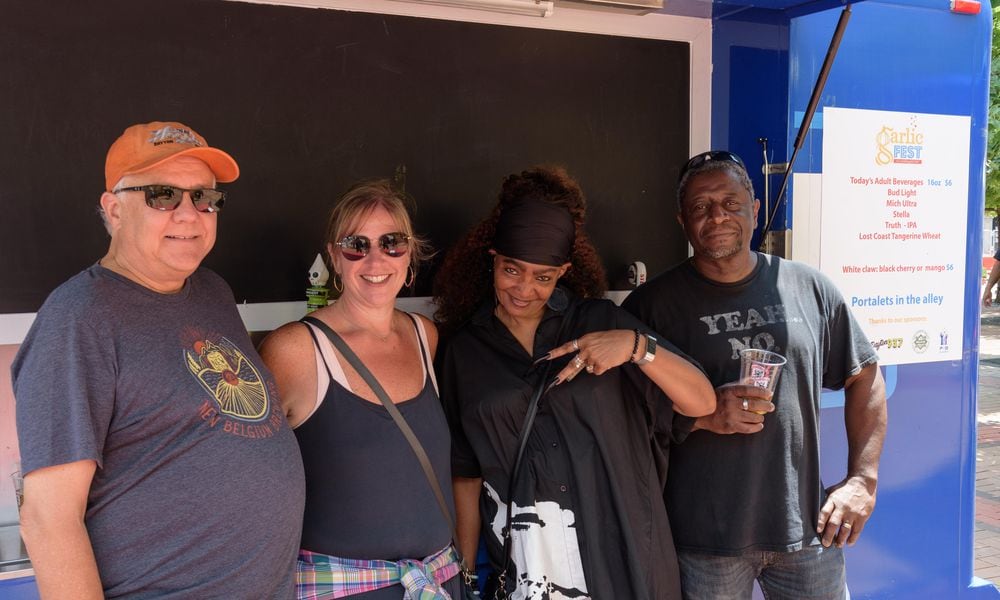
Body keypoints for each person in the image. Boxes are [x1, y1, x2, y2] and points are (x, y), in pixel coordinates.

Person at [12, 121, 305, 599]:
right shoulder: (79, 319)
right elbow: (47, 518)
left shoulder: (211, 290)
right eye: (163, 195)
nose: (189, 214)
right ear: (113, 209)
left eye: (205, 198)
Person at [434, 166, 716, 599]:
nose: (524, 289)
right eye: (512, 269)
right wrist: (465, 577)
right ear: (492, 256)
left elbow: (701, 401)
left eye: (543, 276)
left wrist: (637, 346)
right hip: (531, 568)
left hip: (623, 557)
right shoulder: (464, 353)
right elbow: (466, 475)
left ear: (564, 270)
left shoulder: (601, 322)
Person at [622, 151, 888, 600]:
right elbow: (624, 416)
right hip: (702, 542)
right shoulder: (650, 308)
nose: (717, 216)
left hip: (807, 530)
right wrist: (701, 417)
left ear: (755, 208)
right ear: (682, 220)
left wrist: (863, 480)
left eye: (730, 202)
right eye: (701, 207)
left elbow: (865, 376)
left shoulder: (808, 287)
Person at [259, 180, 463, 599]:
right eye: (356, 244)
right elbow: (251, 482)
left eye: (392, 242)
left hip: (436, 585)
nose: (376, 259)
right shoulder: (295, 350)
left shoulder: (425, 337)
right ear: (334, 256)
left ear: (410, 254)